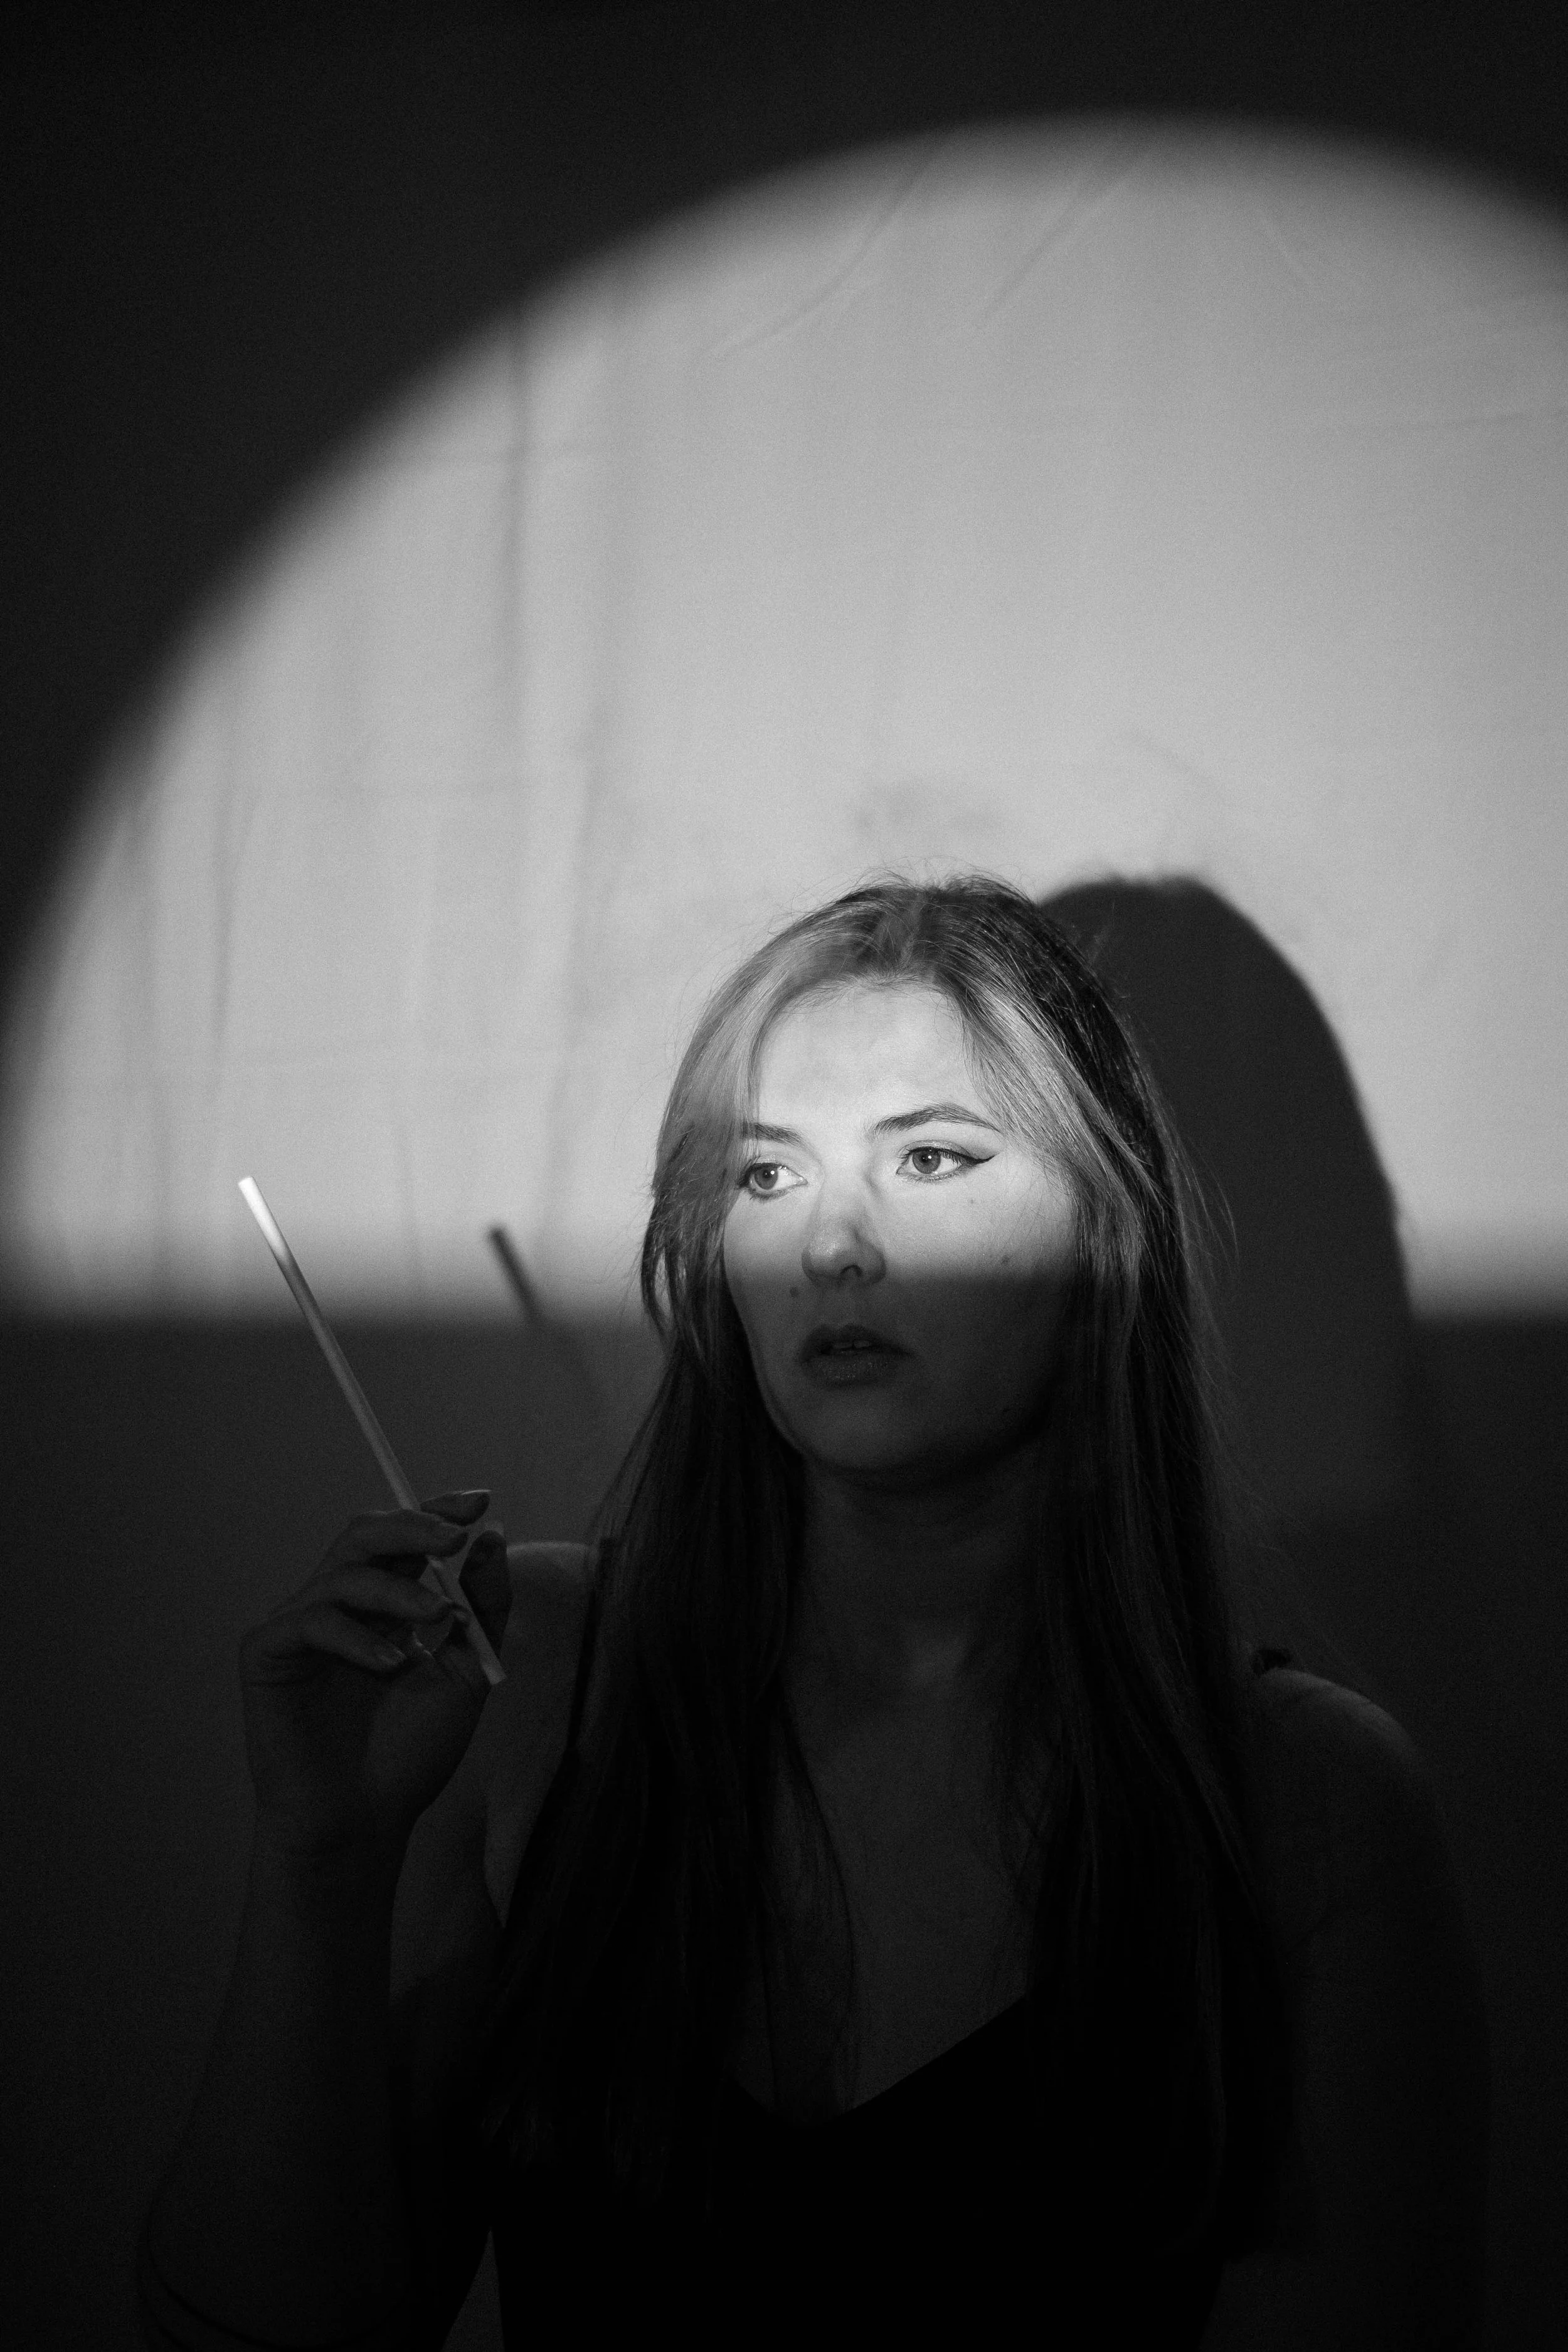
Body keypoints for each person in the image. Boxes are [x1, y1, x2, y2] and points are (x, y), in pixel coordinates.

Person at [138, 874, 1488, 2348]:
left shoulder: (1308, 1804)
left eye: (930, 1158)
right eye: (766, 1177)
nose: (831, 1247)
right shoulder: (526, 1681)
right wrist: (322, 1864)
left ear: (1107, 1233)